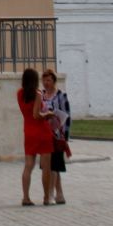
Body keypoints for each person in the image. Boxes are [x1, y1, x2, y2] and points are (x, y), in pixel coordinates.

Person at [18, 67, 54, 206]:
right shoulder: (37, 94)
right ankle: (46, 197)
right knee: (46, 167)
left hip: (28, 131)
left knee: (28, 166)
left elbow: (28, 114)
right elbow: (36, 115)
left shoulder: (19, 94)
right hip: (42, 132)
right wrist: (48, 114)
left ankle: (25, 197)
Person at [42, 68, 71, 205]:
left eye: (48, 80)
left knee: (54, 165)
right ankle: (60, 194)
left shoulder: (61, 96)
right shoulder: (41, 95)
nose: (46, 83)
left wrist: (65, 136)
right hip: (44, 134)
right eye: (44, 80)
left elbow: (67, 116)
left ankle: (51, 194)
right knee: (52, 165)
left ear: (54, 81)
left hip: (57, 135)